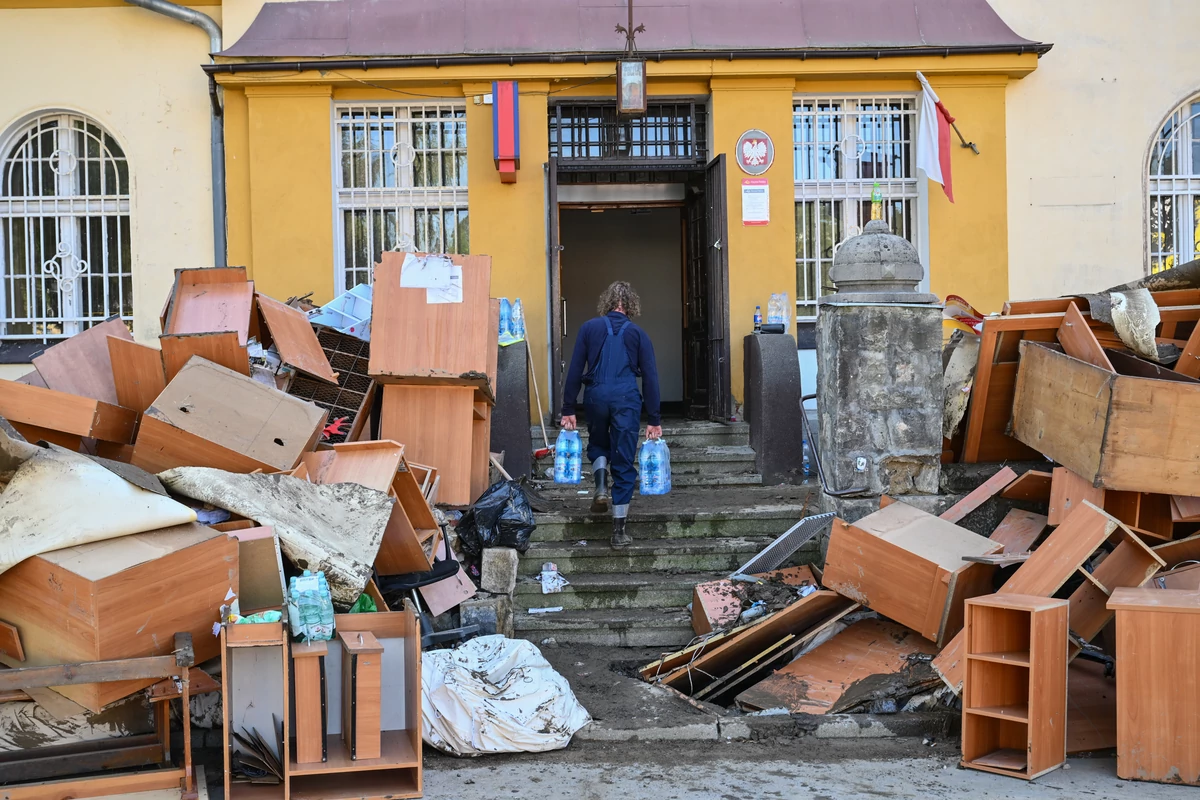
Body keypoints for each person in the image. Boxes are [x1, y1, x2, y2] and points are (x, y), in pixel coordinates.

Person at [560, 281, 662, 549]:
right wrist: (654, 418)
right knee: (625, 460)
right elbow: (651, 378)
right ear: (630, 306)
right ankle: (618, 532)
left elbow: (574, 370)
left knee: (598, 444)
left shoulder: (588, 328)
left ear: (607, 303)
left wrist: (568, 409)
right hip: (626, 400)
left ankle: (601, 486)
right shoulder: (639, 334)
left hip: (594, 397)